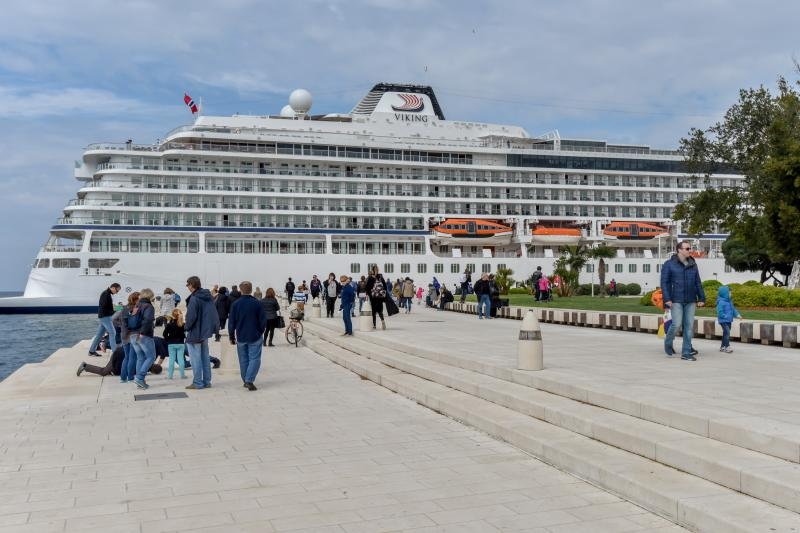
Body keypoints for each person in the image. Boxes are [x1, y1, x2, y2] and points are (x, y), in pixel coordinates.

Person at [661, 240, 706, 361]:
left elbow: (697, 282)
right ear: (679, 250)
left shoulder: (692, 263)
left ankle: (686, 352)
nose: (689, 250)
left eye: (689, 248)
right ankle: (668, 342)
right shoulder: (669, 264)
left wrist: (701, 297)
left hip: (691, 300)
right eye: (687, 249)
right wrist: (667, 299)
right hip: (676, 300)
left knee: (689, 326)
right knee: (676, 324)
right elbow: (664, 283)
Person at [228, 281, 267, 391]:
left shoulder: (236, 304)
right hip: (255, 335)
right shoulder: (257, 303)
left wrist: (231, 336)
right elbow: (263, 320)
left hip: (241, 336)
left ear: (240, 290)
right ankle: (249, 380)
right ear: (251, 290)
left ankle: (246, 380)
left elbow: (231, 322)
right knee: (254, 358)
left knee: (243, 360)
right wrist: (260, 331)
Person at [184, 275, 219, 389]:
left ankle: (198, 382)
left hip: (195, 332)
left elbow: (191, 317)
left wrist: (186, 327)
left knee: (195, 359)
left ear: (192, 285)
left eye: (188, 285)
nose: (187, 287)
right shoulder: (208, 297)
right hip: (205, 332)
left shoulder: (194, 298)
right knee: (204, 357)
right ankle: (207, 381)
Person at [77, 344, 162, 378]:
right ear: (153, 372)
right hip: (119, 356)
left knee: (109, 370)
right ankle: (85, 366)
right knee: (104, 372)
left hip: (121, 351)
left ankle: (86, 366)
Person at [130, 288, 157, 389]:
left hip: (132, 334)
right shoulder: (148, 306)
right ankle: (140, 378)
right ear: (150, 296)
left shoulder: (136, 305)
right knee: (151, 357)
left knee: (140, 357)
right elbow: (148, 320)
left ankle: (140, 382)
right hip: (143, 335)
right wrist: (142, 333)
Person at [112, 291, 140, 383]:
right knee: (133, 357)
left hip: (124, 335)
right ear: (136, 299)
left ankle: (123, 378)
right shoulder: (136, 309)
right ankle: (131, 377)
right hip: (133, 334)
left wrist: (121, 325)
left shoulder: (123, 308)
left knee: (126, 357)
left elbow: (113, 319)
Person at [88, 283, 121, 356]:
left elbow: (107, 307)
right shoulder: (106, 294)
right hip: (105, 317)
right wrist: (116, 309)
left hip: (104, 316)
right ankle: (115, 353)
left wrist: (118, 308)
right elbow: (104, 307)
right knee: (113, 333)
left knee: (99, 335)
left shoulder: (107, 294)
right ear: (113, 287)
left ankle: (91, 351)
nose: (116, 292)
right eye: (117, 290)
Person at [716, 285, 742, 353]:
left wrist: (738, 315)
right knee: (727, 332)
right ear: (725, 294)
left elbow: (733, 309)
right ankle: (727, 346)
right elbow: (719, 311)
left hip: (729, 320)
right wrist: (724, 316)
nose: (731, 294)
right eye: (729, 293)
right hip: (723, 320)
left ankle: (722, 347)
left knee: (725, 333)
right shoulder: (721, 302)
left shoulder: (729, 302)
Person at [163, 308, 187, 379]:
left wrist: (168, 340)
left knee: (171, 360)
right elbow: (185, 334)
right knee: (181, 360)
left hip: (171, 344)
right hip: (181, 343)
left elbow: (164, 334)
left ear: (173, 315)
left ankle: (170, 376)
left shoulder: (169, 324)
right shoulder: (183, 324)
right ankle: (182, 375)